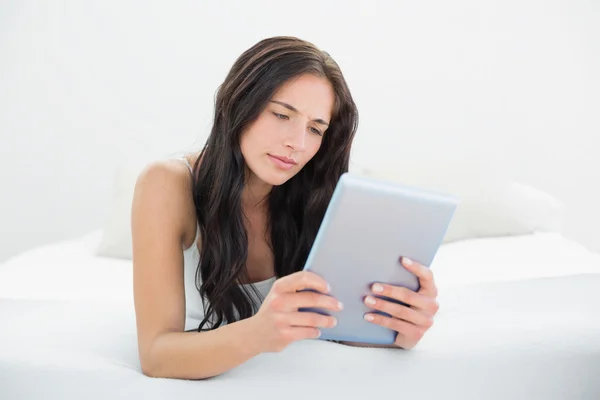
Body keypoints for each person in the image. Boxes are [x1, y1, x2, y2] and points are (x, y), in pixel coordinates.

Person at [131, 36, 440, 380]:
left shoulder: (319, 194)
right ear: (239, 103)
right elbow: (156, 355)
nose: (298, 143)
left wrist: (398, 331)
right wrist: (258, 333)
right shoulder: (167, 183)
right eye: (281, 114)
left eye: (315, 128)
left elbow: (331, 323)